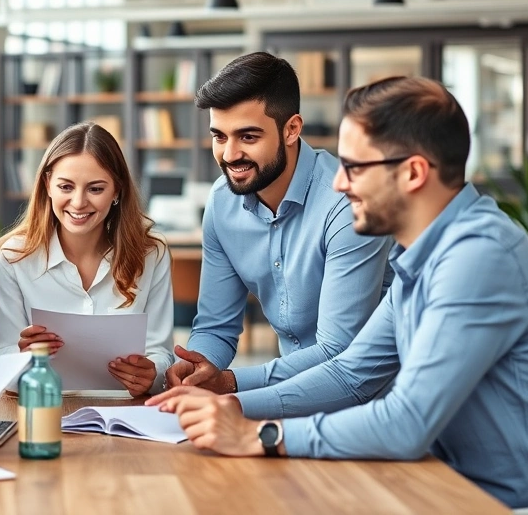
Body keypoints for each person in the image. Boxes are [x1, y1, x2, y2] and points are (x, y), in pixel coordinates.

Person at [148, 76, 528, 510]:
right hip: (443, 480)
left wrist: (260, 433)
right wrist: (229, 405)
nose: (339, 183)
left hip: (515, 504)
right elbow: (351, 374)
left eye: (355, 167)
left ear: (413, 172)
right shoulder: (423, 255)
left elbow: (407, 422)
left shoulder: (478, 257)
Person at [166, 52, 393, 394]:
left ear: (291, 129)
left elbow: (338, 352)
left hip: (372, 402)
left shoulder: (346, 204)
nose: (229, 155)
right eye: (220, 136)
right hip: (289, 398)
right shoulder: (222, 202)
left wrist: (229, 383)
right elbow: (215, 328)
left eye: (248, 137)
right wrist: (197, 365)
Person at [0, 122, 174, 396]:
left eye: (95, 189)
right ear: (47, 185)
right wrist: (22, 362)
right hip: (48, 407)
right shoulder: (15, 257)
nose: (78, 202)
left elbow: (161, 354)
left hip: (125, 414)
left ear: (117, 191)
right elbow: (1, 360)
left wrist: (152, 374)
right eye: (65, 186)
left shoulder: (151, 255)